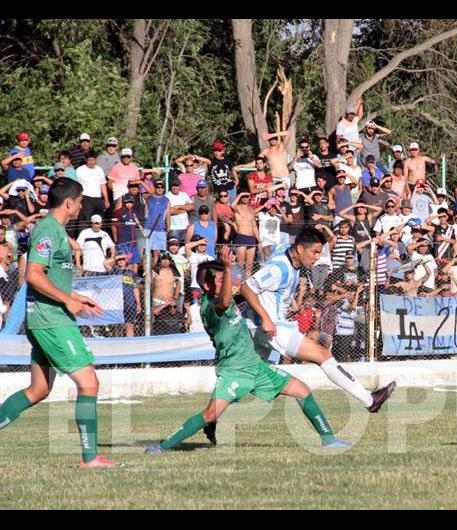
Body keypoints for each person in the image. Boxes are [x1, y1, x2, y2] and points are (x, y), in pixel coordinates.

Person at [146, 246, 351, 452]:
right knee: (210, 413)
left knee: (302, 390)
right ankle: (162, 447)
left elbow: (238, 296)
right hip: (234, 369)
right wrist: (227, 268)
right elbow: (225, 302)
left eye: (224, 278)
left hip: (255, 366)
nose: (226, 282)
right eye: (220, 280)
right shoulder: (209, 306)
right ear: (206, 286)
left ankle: (329, 439)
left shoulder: (225, 299)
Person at [0, 178, 117, 467]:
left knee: (38, 390)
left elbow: (50, 277)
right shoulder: (49, 231)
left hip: (47, 319)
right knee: (89, 382)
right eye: (79, 202)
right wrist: (66, 301)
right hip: (51, 320)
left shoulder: (55, 231)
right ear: (69, 203)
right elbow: (34, 275)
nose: (80, 207)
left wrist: (77, 296)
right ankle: (90, 458)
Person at [239, 226, 396, 415]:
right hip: (271, 327)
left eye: (320, 253)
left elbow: (276, 249)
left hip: (262, 326)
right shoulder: (280, 268)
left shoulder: (289, 256)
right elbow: (247, 288)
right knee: (323, 355)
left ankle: (209, 417)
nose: (317, 257)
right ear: (299, 249)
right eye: (314, 252)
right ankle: (370, 400)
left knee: (244, 378)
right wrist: (266, 319)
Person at [75, 151, 109, 229]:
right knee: (85, 222)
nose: (91, 162)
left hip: (98, 198)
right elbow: (77, 187)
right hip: (85, 198)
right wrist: (78, 201)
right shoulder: (80, 170)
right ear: (86, 160)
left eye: (93, 160)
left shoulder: (99, 170)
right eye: (89, 160)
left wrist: (106, 200)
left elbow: (103, 185)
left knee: (99, 221)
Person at [231, 192, 260, 278]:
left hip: (251, 238)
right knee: (240, 264)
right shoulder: (238, 208)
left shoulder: (251, 210)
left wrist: (259, 240)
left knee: (249, 265)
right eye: (243, 197)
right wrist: (240, 194)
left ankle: (247, 283)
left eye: (247, 197)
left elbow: (254, 226)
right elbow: (232, 205)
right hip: (241, 237)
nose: (245, 198)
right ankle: (238, 283)